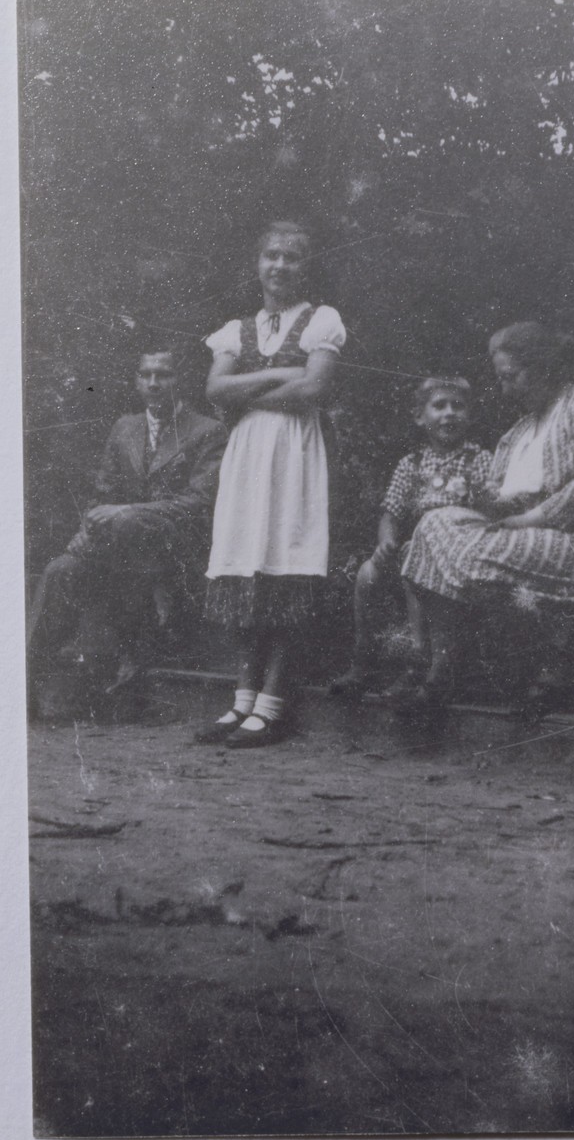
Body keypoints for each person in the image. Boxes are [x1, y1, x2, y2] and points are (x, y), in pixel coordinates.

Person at [400, 322, 574, 712]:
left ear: (542, 366)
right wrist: (481, 503)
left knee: (442, 553)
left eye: (511, 377)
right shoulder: (515, 433)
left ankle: (440, 671)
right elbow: (496, 497)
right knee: (432, 524)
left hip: (569, 537)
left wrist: (532, 516)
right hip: (512, 533)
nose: (505, 390)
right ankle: (442, 669)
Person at [194, 219, 346, 748]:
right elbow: (215, 388)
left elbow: (314, 389)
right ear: (258, 264)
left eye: (292, 257)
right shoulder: (238, 328)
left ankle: (272, 703)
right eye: (271, 256)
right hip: (247, 456)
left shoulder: (322, 319)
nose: (280, 266)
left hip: (295, 454)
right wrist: (282, 375)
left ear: (306, 267)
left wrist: (244, 394)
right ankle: (241, 700)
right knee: (244, 566)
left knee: (286, 564)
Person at [28, 347, 227, 692]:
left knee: (125, 525)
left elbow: (199, 502)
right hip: (121, 552)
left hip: (177, 549)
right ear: (136, 380)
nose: (154, 383)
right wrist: (87, 531)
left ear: (180, 380)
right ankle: (23, 679)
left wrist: (127, 512)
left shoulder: (208, 430)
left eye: (163, 374)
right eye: (145, 375)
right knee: (62, 569)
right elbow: (103, 496)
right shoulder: (125, 428)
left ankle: (136, 649)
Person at [329, 376, 492, 698]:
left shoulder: (479, 459)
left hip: (457, 551)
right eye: (439, 406)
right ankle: (364, 661)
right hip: (411, 548)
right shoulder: (411, 464)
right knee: (368, 573)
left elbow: (488, 510)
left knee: (412, 563)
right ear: (420, 417)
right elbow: (391, 512)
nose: (449, 414)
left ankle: (418, 663)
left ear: (470, 417)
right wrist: (385, 541)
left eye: (458, 407)